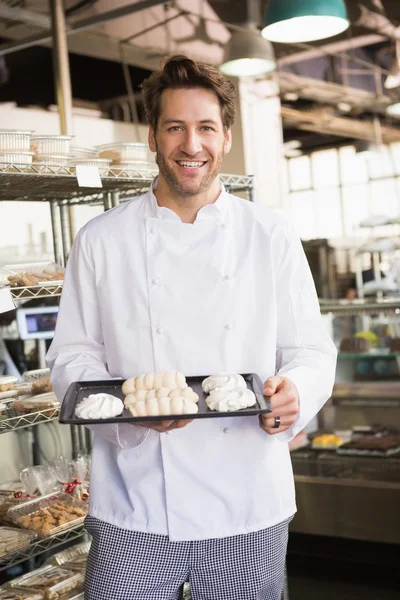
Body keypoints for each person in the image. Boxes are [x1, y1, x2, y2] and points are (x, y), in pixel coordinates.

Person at [47, 55, 337, 600]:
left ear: (226, 136)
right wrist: (129, 414)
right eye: (175, 127)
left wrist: (296, 390)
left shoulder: (269, 234)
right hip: (135, 496)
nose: (191, 144)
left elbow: (310, 348)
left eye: (206, 127)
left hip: (248, 497)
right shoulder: (101, 240)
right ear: (153, 136)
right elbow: (72, 358)